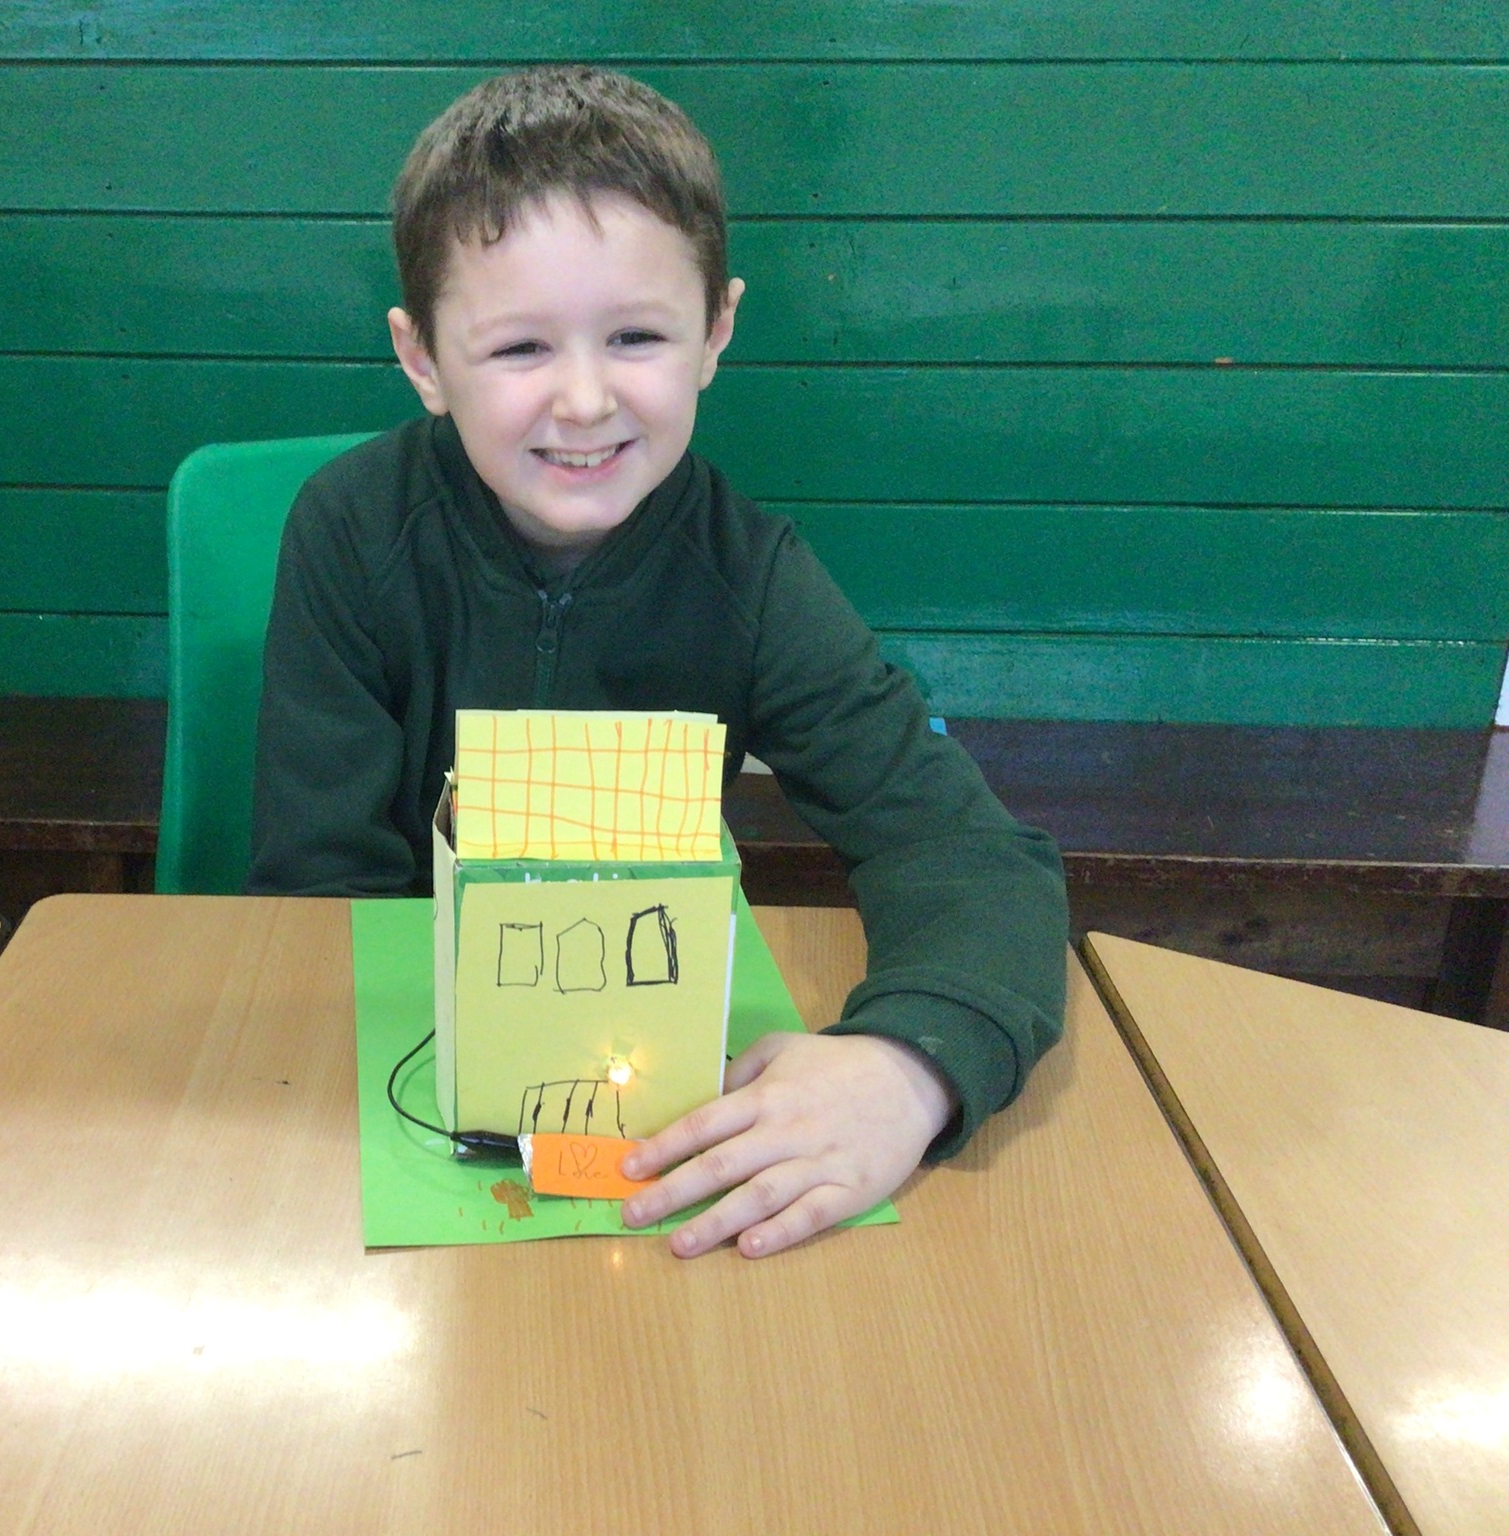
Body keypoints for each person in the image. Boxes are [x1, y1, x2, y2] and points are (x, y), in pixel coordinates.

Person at [247, 65, 1069, 1258]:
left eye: (634, 336)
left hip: (648, 1092)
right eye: (518, 347)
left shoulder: (752, 576)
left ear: (714, 332)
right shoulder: (349, 531)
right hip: (394, 1118)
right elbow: (318, 900)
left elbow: (965, 853)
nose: (584, 401)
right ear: (421, 358)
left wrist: (906, 1069)